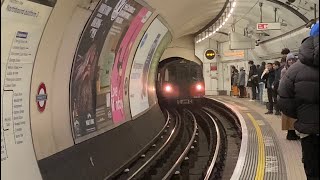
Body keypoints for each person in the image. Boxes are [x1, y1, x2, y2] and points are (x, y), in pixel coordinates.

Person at [278, 22, 319, 180]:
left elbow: (284, 100)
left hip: (308, 133)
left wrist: (302, 116)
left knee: (312, 169)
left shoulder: (294, 70)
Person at [280, 53, 299, 140]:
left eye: (292, 60)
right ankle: (290, 133)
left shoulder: (296, 69)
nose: (291, 61)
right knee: (288, 114)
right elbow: (283, 82)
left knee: (291, 114)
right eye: (289, 60)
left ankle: (292, 132)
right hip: (287, 94)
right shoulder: (284, 70)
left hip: (293, 94)